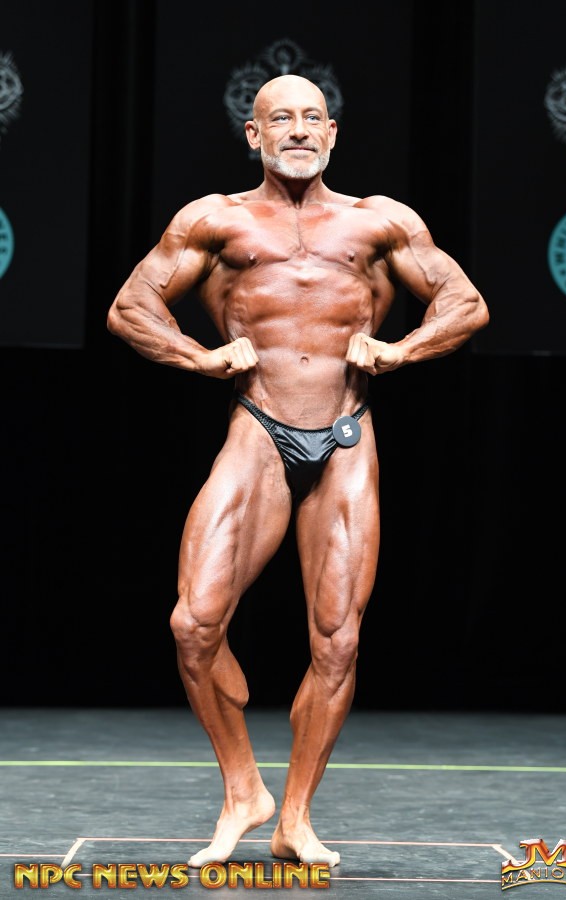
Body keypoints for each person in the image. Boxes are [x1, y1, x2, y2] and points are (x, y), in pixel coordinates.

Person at [106, 73, 489, 869]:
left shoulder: (379, 221)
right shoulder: (214, 220)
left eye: (313, 117)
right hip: (258, 427)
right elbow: (130, 308)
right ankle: (243, 789)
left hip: (346, 436)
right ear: (254, 134)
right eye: (281, 118)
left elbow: (465, 303)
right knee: (194, 625)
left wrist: (401, 350)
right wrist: (200, 357)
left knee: (337, 642)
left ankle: (296, 818)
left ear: (334, 132)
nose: (300, 130)